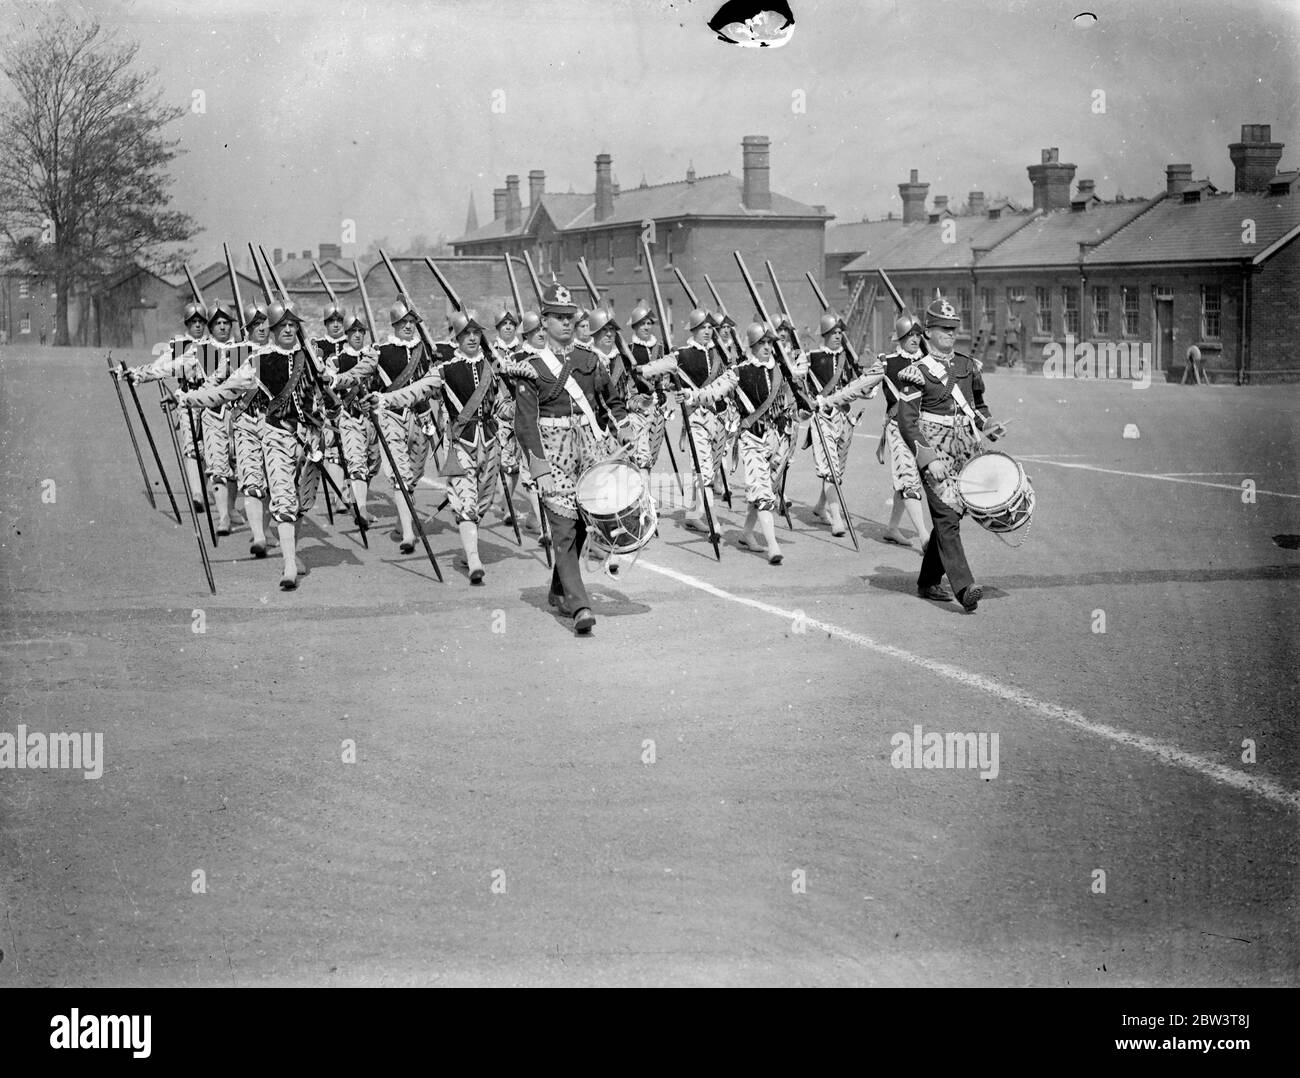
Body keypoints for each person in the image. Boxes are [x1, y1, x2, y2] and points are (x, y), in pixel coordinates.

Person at [171, 303, 324, 590]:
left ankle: (292, 553)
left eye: (293, 325)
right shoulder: (257, 360)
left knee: (302, 502)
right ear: (273, 330)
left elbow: (328, 390)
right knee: (283, 500)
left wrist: (330, 383)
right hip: (277, 436)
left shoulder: (312, 358)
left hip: (311, 441)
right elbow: (223, 390)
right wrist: (186, 399)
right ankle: (289, 565)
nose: (288, 330)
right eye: (283, 326)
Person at [512, 284, 633, 635]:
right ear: (544, 321)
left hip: (589, 451)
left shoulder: (589, 359)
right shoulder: (529, 368)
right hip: (553, 453)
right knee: (563, 529)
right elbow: (525, 425)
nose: (567, 324)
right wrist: (540, 469)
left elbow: (612, 398)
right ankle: (581, 606)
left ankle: (558, 590)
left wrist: (622, 425)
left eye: (571, 318)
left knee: (582, 524)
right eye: (559, 318)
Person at [896, 297, 1007, 612]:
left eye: (953, 328)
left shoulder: (966, 365)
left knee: (954, 514)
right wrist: (928, 458)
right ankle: (964, 587)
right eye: (943, 329)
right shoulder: (915, 372)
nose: (950, 334)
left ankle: (928, 581)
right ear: (928, 331)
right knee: (946, 516)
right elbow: (907, 422)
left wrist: (990, 424)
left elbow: (977, 405)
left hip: (966, 448)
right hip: (934, 448)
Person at [115, 301, 211, 512]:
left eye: (201, 321)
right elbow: (161, 366)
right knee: (191, 448)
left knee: (207, 451)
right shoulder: (180, 345)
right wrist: (133, 373)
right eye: (193, 322)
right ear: (187, 324)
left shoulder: (215, 346)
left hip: (213, 404)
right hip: (187, 400)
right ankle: (197, 495)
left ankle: (204, 489)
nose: (197, 325)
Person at [731, 322, 808, 564]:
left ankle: (746, 532)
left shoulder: (780, 370)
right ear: (752, 346)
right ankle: (773, 546)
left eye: (769, 343)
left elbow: (795, 394)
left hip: (776, 439)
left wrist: (806, 407)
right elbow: (716, 389)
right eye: (762, 343)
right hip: (751, 438)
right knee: (763, 493)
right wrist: (693, 396)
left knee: (766, 489)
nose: (767, 347)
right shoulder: (740, 371)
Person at [436, 310, 503, 585]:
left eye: (476, 333)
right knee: (466, 502)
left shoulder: (494, 366)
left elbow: (502, 402)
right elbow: (417, 390)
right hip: (460, 442)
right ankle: (474, 560)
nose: (472, 338)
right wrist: (385, 400)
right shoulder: (446, 369)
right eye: (466, 334)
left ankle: (468, 547)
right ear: (457, 338)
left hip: (489, 440)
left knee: (483, 501)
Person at [371, 299, 436, 554]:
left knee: (414, 474)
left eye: (412, 322)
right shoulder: (382, 350)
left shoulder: (425, 350)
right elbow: (367, 380)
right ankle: (408, 534)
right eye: (403, 322)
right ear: (394, 324)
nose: (408, 326)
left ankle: (403, 520)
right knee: (400, 476)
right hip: (391, 417)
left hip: (420, 419)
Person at [667, 309, 737, 535]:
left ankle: (692, 515)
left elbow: (729, 379)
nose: (707, 331)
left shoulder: (720, 354)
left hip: (717, 418)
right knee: (703, 471)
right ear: (693, 330)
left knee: (711, 468)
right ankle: (713, 522)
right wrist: (677, 390)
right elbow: (667, 382)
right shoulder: (683, 354)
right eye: (702, 328)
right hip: (696, 418)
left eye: (709, 327)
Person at [877, 312, 932, 552]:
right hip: (898, 428)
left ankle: (891, 528)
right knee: (909, 481)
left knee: (909, 478)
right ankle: (925, 537)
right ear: (899, 336)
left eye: (918, 334)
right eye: (910, 334)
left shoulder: (929, 361)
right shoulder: (887, 362)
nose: (915, 338)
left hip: (923, 429)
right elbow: (862, 388)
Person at [804, 311, 861, 537]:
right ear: (825, 333)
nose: (838, 336)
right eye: (834, 332)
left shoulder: (847, 358)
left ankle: (820, 507)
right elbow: (800, 386)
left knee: (837, 469)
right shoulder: (813, 356)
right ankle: (837, 519)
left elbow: (857, 386)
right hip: (823, 417)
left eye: (840, 332)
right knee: (830, 470)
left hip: (844, 418)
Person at [322, 310, 380, 524]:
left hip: (372, 420)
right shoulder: (337, 361)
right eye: (353, 331)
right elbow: (327, 387)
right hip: (348, 418)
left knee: (372, 464)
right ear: (346, 334)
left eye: (360, 330)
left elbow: (382, 384)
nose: (357, 334)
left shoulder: (374, 356)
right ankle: (361, 510)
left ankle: (356, 502)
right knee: (355, 463)